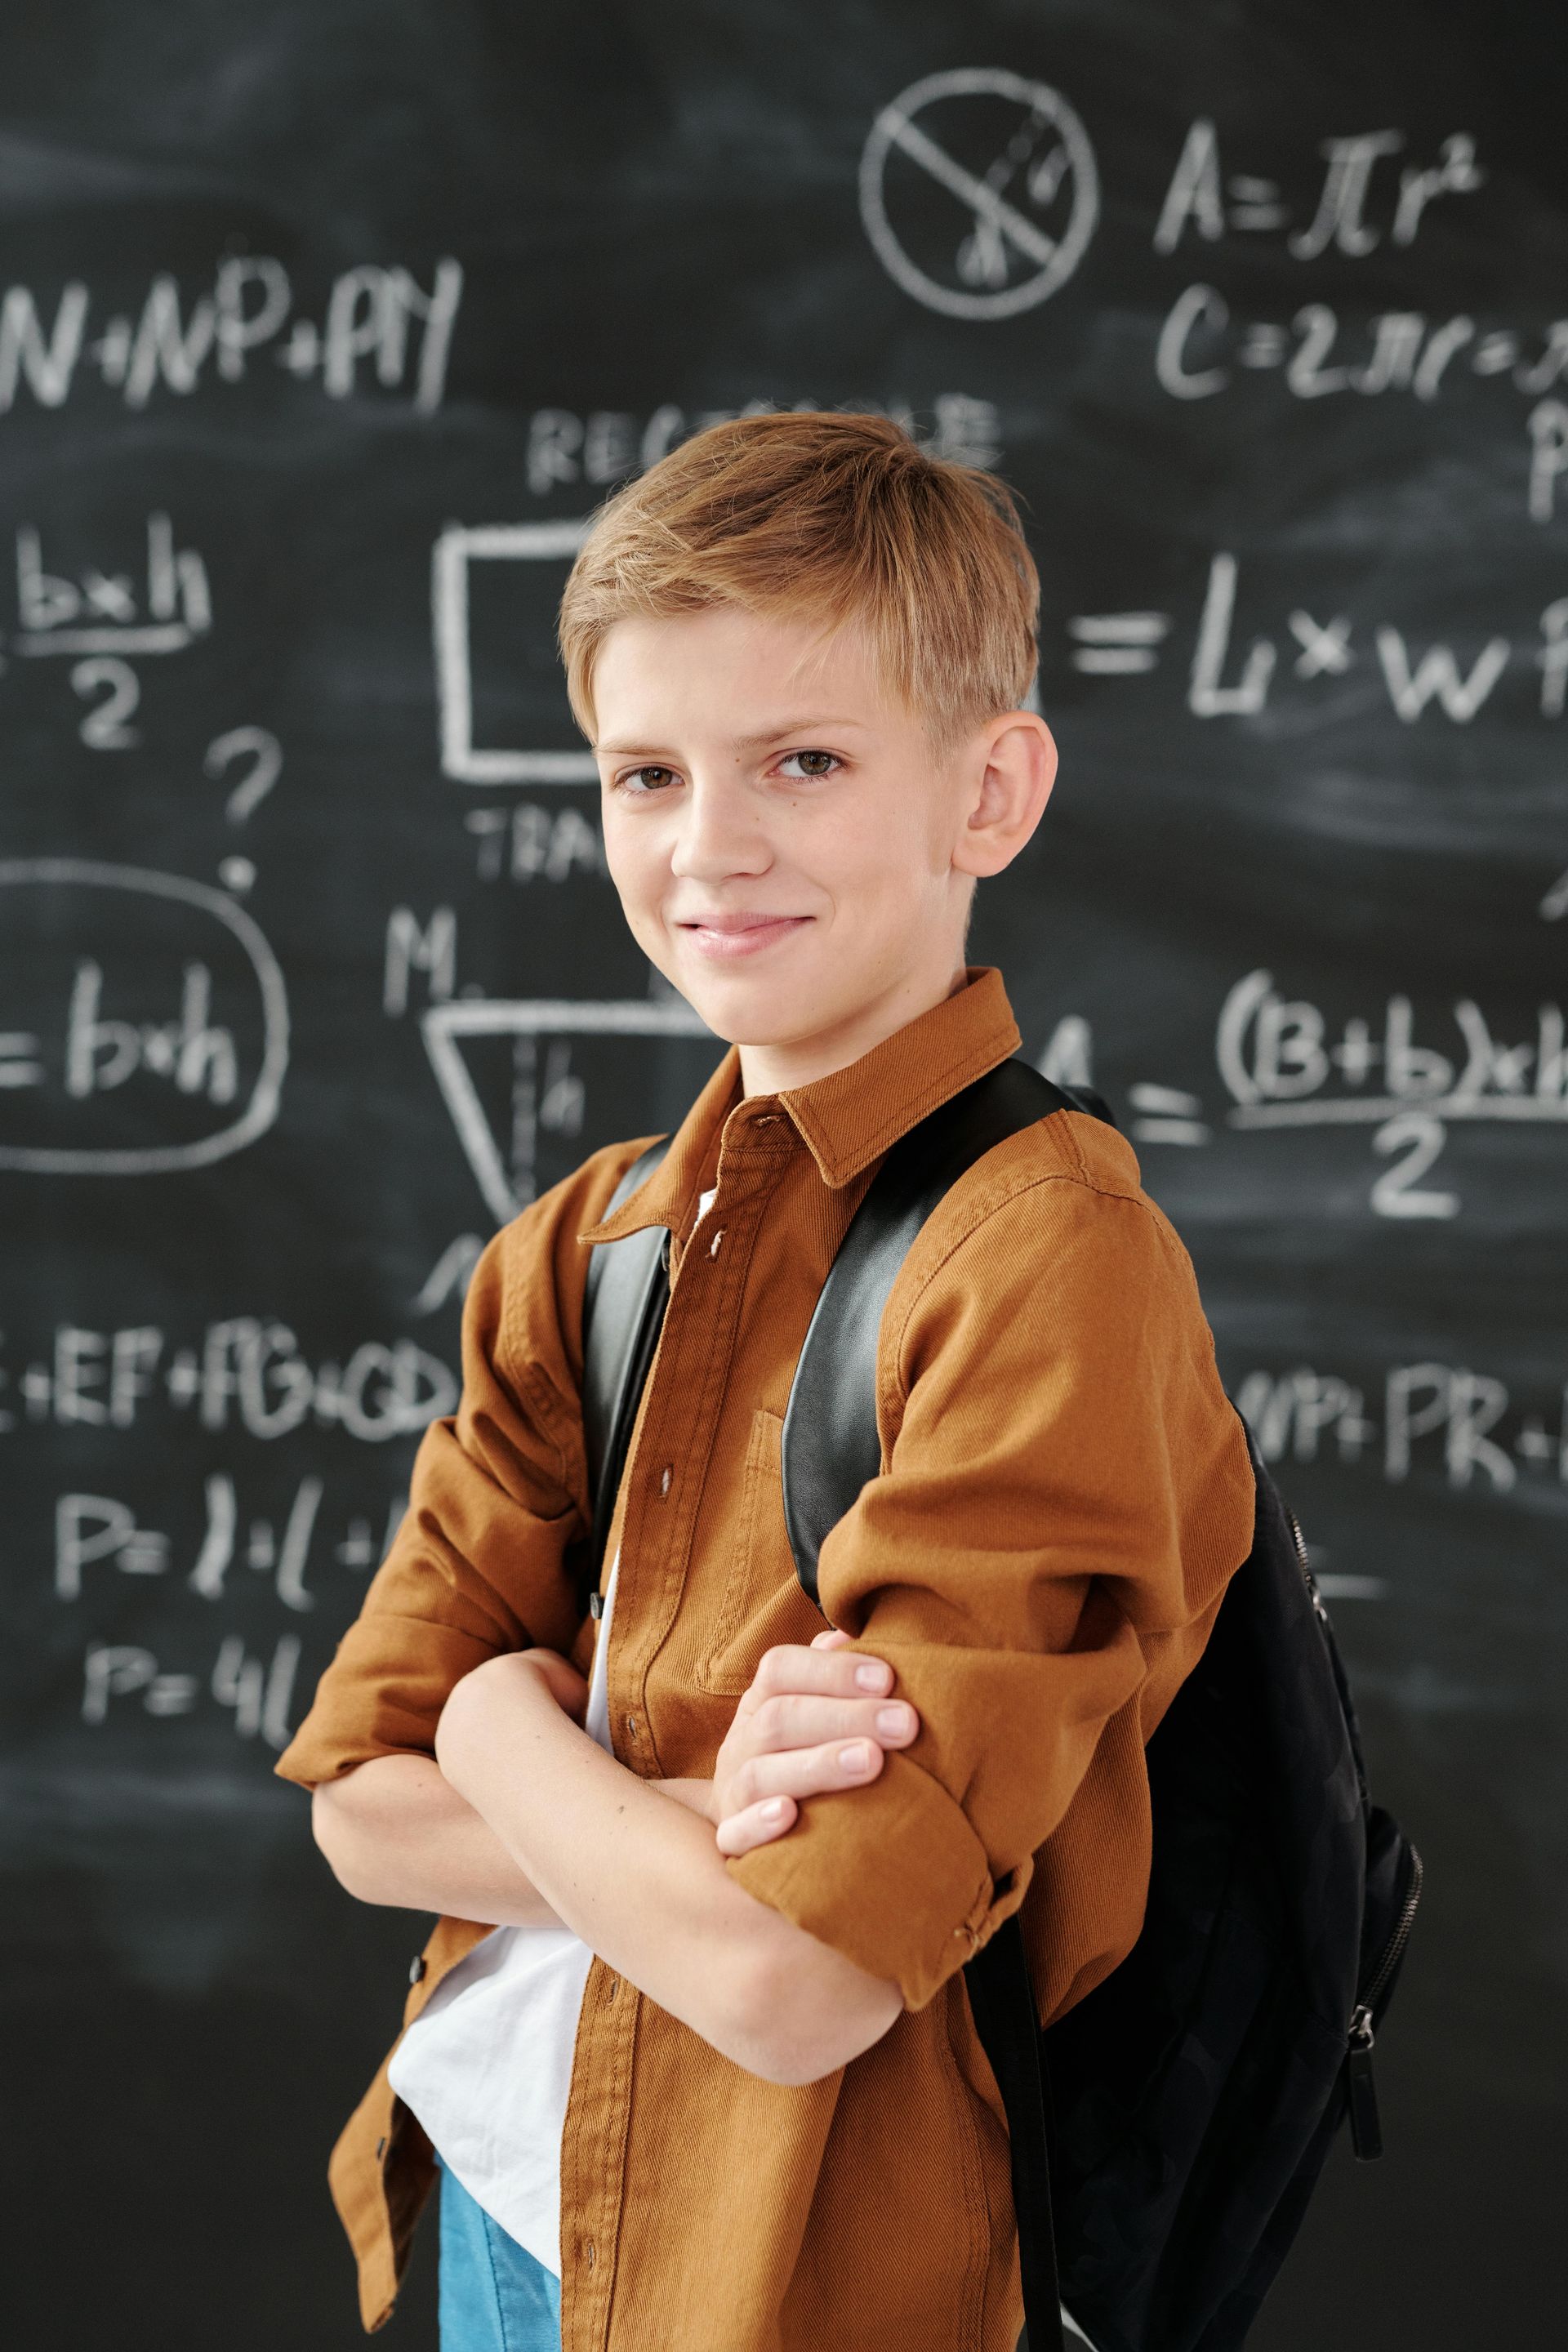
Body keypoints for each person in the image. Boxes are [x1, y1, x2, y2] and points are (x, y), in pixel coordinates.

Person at [274, 410, 1256, 2352]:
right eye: (647, 772)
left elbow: (796, 1983)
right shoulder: (585, 1248)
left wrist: (491, 1714)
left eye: (802, 762)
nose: (708, 847)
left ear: (992, 792)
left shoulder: (1044, 1257)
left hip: (798, 2270)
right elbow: (351, 1812)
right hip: (506, 2197)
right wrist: (676, 1795)